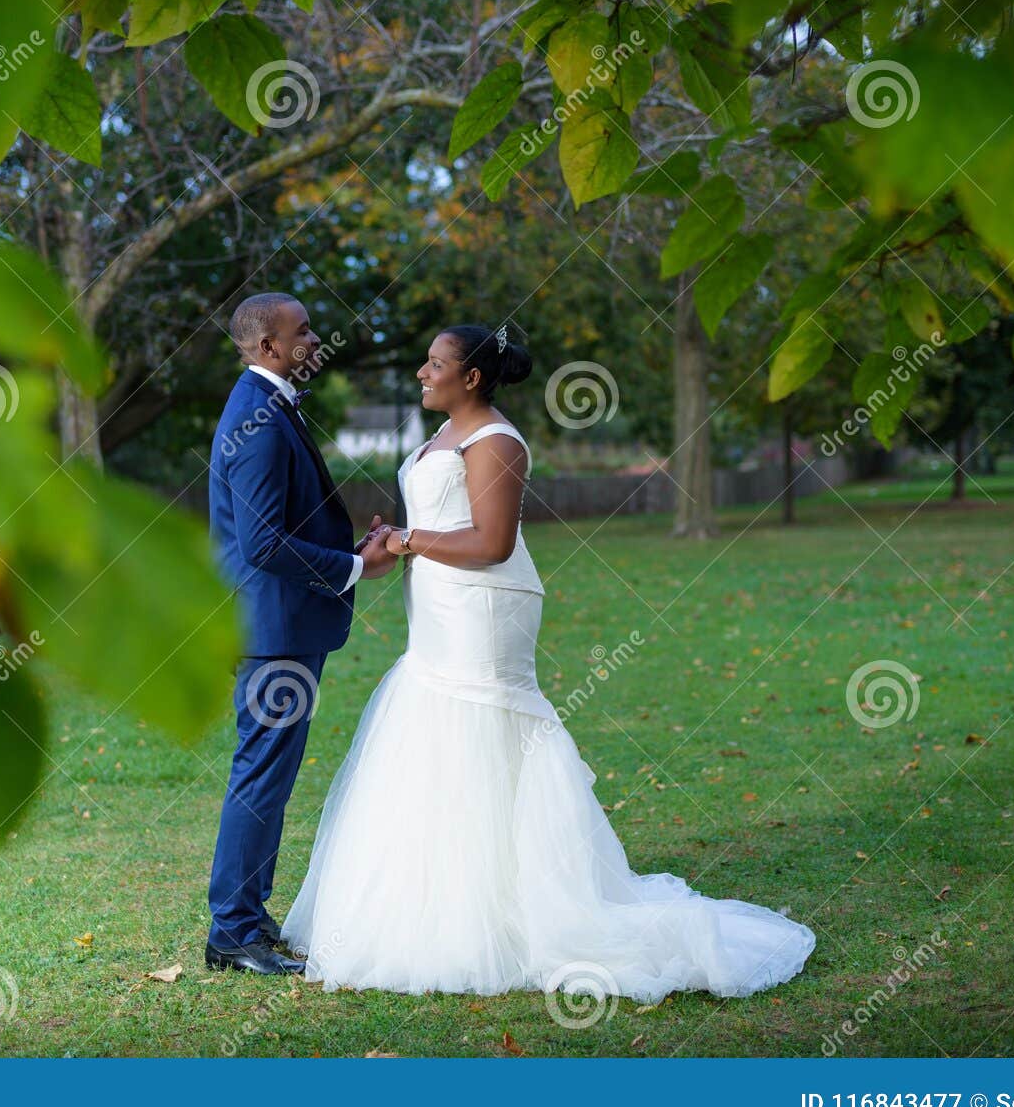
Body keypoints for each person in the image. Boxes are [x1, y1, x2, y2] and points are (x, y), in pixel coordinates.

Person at [282, 323, 816, 1002]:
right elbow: (436, 528)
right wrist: (384, 550)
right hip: (440, 608)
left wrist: (412, 537)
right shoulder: (438, 439)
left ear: (471, 377)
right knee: (433, 728)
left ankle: (513, 908)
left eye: (436, 364)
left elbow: (494, 542)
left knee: (480, 724)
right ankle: (450, 898)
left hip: (485, 609)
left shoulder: (497, 442)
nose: (422, 371)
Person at [204, 292, 396, 975]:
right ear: (267, 347)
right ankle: (232, 930)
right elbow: (260, 543)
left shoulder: (268, 403)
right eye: (303, 330)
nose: (316, 338)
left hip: (275, 626)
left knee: (270, 778)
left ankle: (246, 917)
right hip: (272, 632)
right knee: (262, 778)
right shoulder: (258, 418)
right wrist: (353, 566)